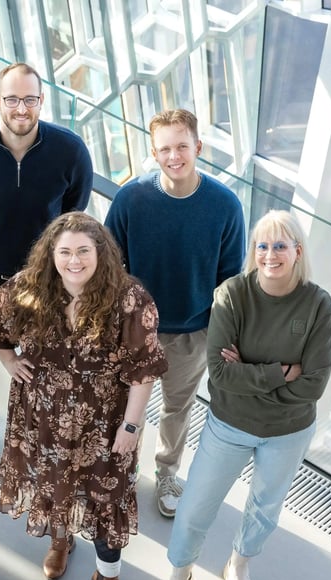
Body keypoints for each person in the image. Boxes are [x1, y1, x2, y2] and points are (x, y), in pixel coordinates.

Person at [148, 210, 331, 580]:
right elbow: (220, 373)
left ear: (297, 251)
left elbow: (313, 385)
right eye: (262, 246)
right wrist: (281, 372)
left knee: (264, 508)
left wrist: (249, 373)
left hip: (288, 432)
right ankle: (180, 578)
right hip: (229, 424)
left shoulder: (319, 305)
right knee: (195, 504)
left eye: (280, 245)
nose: (270, 254)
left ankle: (238, 567)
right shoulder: (232, 294)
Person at [0, 212, 167, 580]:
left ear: (100, 253)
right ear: (51, 254)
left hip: (105, 423)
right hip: (43, 416)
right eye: (65, 252)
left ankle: (108, 577)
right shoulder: (30, 288)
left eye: (83, 251)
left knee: (106, 498)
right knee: (55, 482)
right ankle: (61, 540)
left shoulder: (130, 299)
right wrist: (9, 360)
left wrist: (131, 426)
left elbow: (144, 371)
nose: (74, 261)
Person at [0, 61, 93, 473]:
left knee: (47, 359)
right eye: (12, 99)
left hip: (45, 279)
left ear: (42, 101)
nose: (21, 108)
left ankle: (43, 436)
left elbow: (72, 212)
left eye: (29, 99)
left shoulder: (70, 151)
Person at [104, 108, 245, 517]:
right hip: (135, 331)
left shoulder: (225, 205)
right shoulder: (131, 199)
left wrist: (221, 336)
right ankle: (123, 467)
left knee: (176, 409)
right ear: (154, 152)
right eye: (165, 149)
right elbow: (109, 265)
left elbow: (229, 279)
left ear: (197, 147)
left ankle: (166, 473)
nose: (174, 156)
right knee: (124, 404)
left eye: (182, 146)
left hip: (192, 333)